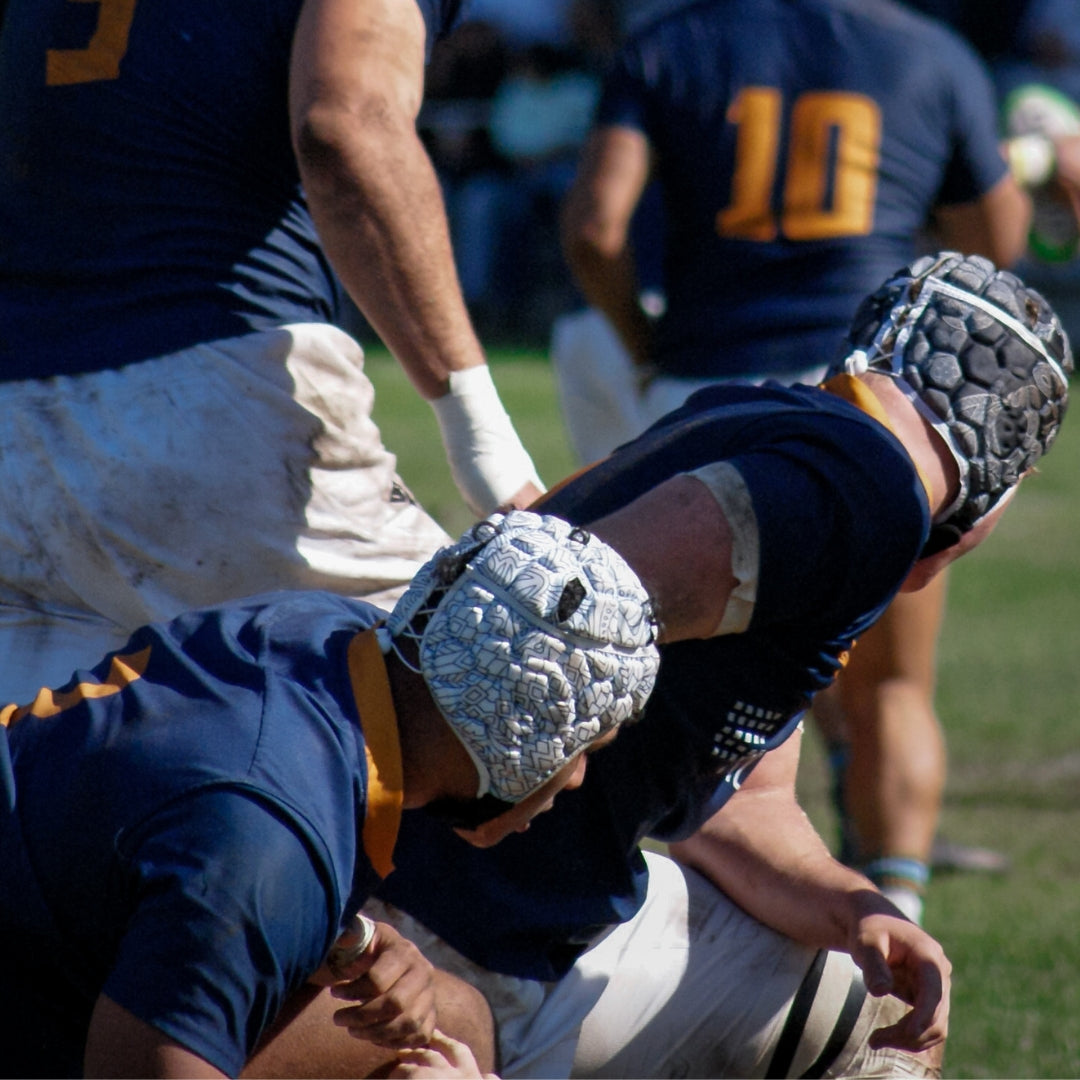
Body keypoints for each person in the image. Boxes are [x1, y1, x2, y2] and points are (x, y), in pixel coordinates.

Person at [369, 253, 1072, 1077]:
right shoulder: (870, 490)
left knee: (866, 989)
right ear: (1005, 482)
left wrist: (857, 908)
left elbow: (736, 807)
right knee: (880, 1032)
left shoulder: (790, 442)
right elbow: (554, 610)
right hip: (446, 930)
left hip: (480, 898)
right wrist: (472, 793)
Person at [551, 0, 1074, 923]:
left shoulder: (676, 41)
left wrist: (644, 348)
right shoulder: (929, 50)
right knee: (891, 693)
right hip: (869, 412)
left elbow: (596, 228)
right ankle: (891, 930)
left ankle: (605, 910)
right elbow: (992, 251)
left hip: (707, 398)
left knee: (642, 689)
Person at [0, 0, 544, 706]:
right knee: (532, 696)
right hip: (210, 396)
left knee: (83, 791)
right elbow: (347, 125)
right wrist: (489, 448)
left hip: (16, 427)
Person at [0, 512, 659, 1078]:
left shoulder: (327, 633)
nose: (574, 781)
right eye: (583, 750)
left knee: (450, 1020)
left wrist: (344, 938)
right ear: (521, 720)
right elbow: (228, 865)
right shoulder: (266, 842)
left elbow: (155, 846)